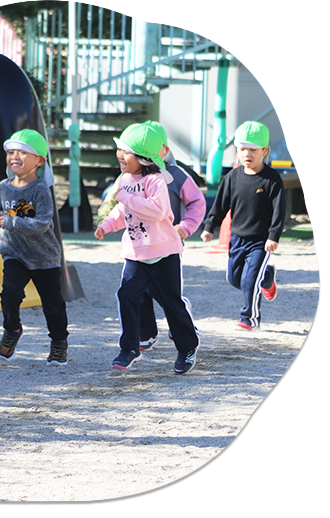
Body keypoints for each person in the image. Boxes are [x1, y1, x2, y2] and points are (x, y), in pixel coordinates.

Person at [94, 124, 200, 374]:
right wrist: (107, 225)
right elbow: (122, 212)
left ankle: (187, 347)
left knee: (171, 304)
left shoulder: (155, 180)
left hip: (164, 254)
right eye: (118, 149)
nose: (119, 154)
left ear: (143, 158)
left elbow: (157, 211)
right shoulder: (126, 180)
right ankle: (130, 348)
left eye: (125, 151)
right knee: (126, 295)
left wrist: (126, 198)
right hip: (136, 254)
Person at [0, 129, 69, 366]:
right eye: (11, 152)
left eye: (22, 152)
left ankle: (59, 343)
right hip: (14, 254)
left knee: (53, 305)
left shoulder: (41, 190)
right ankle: (12, 330)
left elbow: (42, 223)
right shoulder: (2, 188)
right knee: (9, 295)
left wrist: (11, 222)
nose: (14, 156)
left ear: (40, 160)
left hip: (44, 257)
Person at [201, 121, 285, 330]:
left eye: (253, 149)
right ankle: (267, 277)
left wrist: (273, 236)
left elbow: (279, 210)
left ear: (265, 151)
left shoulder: (272, 180)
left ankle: (249, 318)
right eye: (242, 149)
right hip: (237, 238)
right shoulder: (231, 177)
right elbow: (220, 205)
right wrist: (210, 226)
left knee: (249, 282)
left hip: (261, 241)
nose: (247, 154)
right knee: (234, 278)